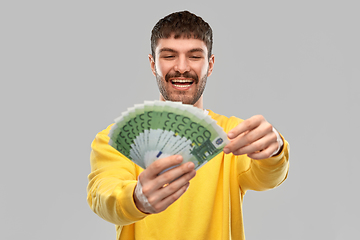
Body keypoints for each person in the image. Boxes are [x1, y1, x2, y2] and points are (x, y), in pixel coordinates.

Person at [87, 10, 289, 240]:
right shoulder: (113, 139)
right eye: (169, 55)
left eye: (194, 56)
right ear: (153, 64)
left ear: (210, 65)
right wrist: (136, 198)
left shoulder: (232, 134)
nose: (182, 67)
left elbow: (267, 177)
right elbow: (102, 195)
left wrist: (275, 150)